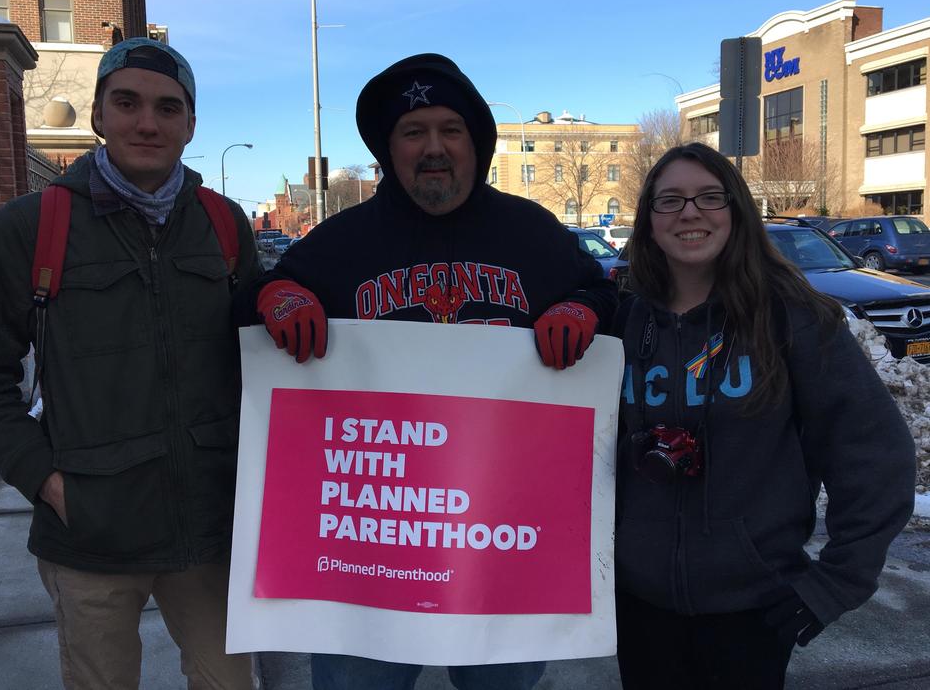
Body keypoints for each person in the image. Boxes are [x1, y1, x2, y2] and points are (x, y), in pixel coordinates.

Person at [236, 53, 618, 690]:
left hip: (502, 532)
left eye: (451, 129)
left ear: (478, 142)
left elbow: (608, 299)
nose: (433, 147)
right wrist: (273, 298)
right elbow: (253, 301)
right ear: (389, 150)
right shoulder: (342, 241)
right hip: (372, 546)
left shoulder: (532, 233)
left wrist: (585, 306)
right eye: (414, 132)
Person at [0, 38, 258, 690]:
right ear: (98, 115)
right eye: (128, 103)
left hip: (209, 533)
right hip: (89, 536)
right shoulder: (31, 226)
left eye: (168, 108)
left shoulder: (225, 225)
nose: (148, 122)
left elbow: (257, 360)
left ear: (191, 124)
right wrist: (46, 480)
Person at [612, 142, 915, 689]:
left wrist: (835, 584)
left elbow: (874, 453)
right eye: (670, 200)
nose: (689, 212)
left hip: (754, 611)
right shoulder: (624, 325)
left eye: (710, 197)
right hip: (638, 607)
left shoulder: (792, 318)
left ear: (737, 213)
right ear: (648, 221)